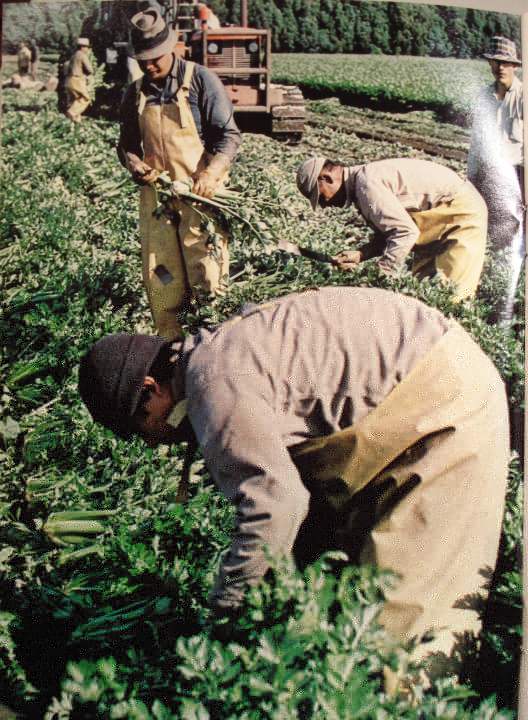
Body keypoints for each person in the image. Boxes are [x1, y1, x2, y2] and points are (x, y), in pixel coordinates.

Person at [78, 286, 509, 687]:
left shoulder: (213, 386)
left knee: (399, 635)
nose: (154, 442)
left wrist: (225, 621)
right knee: (345, 590)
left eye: (143, 428)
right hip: (418, 387)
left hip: (445, 406)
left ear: (151, 390)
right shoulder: (213, 357)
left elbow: (275, 508)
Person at [117, 7, 241, 339]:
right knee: (163, 278)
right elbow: (126, 145)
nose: (149, 65)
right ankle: (172, 348)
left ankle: (212, 343)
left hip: (198, 199)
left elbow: (228, 136)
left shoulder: (200, 81)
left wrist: (211, 174)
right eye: (143, 60)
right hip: (158, 202)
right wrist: (134, 164)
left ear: (171, 47)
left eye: (155, 58)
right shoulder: (135, 92)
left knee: (207, 276)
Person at [297, 156, 488, 301]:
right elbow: (395, 229)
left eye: (320, 196)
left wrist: (378, 277)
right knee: (421, 297)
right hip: (438, 218)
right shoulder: (363, 182)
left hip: (461, 215)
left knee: (449, 296)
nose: (324, 204)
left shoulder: (367, 185)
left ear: (327, 177)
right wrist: (361, 254)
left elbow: (405, 233)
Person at [467, 35, 524, 322]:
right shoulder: (482, 98)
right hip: (488, 181)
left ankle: (503, 319)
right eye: (495, 61)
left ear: (514, 65)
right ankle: (482, 314)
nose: (500, 67)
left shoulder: (524, 98)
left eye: (505, 62)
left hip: (515, 182)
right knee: (484, 247)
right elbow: (476, 147)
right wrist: (470, 185)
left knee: (511, 253)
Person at [65, 37, 93, 123]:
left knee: (75, 100)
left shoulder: (74, 55)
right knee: (85, 99)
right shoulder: (82, 55)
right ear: (83, 47)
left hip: (68, 80)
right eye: (87, 47)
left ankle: (75, 122)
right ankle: (72, 112)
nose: (87, 49)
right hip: (77, 80)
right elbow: (90, 69)